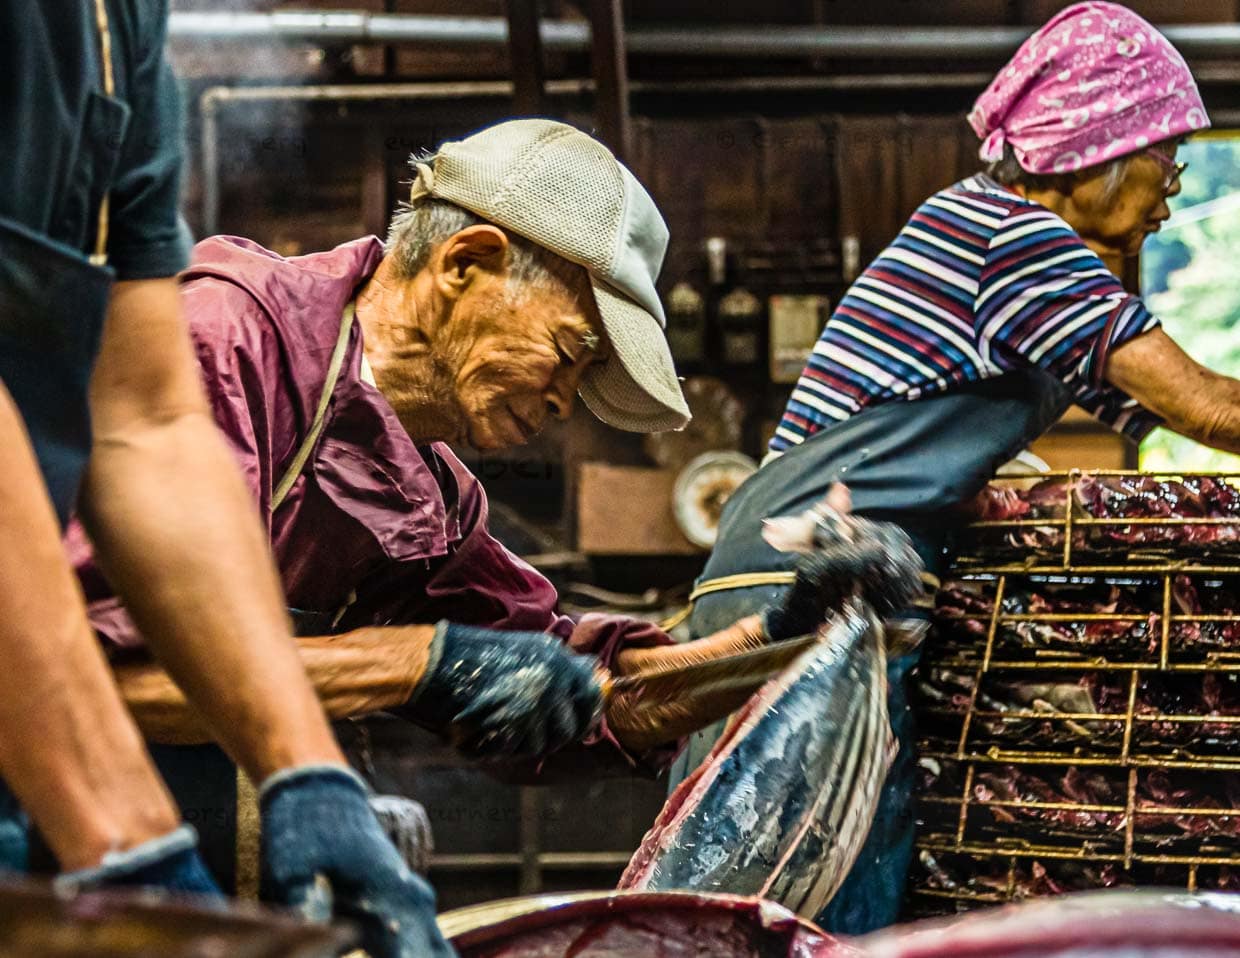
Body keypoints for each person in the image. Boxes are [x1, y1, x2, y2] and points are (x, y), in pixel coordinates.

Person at [56, 119, 852, 886]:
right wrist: (415, 664)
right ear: (466, 262)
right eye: (570, 352)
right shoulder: (231, 337)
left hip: (202, 856)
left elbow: (597, 696)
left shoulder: (430, 501)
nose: (566, 402)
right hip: (53, 826)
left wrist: (776, 638)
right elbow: (100, 675)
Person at [668, 0, 1240, 935]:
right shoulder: (1020, 242)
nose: (1171, 192)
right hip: (806, 571)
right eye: (1165, 162)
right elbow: (1208, 406)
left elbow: (1152, 420)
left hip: (849, 574)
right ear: (1094, 150)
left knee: (844, 853)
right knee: (777, 869)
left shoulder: (1013, 247)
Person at [0, 4, 523, 955]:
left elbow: (147, 423)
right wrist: (133, 851)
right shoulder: (242, 329)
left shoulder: (123, 33)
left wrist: (306, 775)